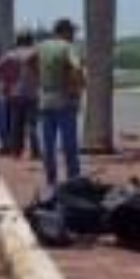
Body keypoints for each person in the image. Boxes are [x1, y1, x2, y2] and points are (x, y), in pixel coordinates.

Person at [37, 19, 85, 189]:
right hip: (64, 99)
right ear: (64, 31)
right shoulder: (67, 47)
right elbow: (77, 67)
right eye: (72, 31)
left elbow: (29, 61)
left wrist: (41, 78)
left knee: (48, 145)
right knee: (69, 145)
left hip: (45, 99)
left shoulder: (41, 46)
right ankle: (74, 182)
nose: (73, 35)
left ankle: (51, 181)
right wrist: (79, 85)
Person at [6, 33, 41, 160]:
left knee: (16, 125)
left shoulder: (11, 55)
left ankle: (16, 151)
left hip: (15, 94)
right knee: (32, 124)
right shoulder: (35, 53)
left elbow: (1, 71)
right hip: (31, 94)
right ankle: (35, 151)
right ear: (30, 40)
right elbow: (39, 71)